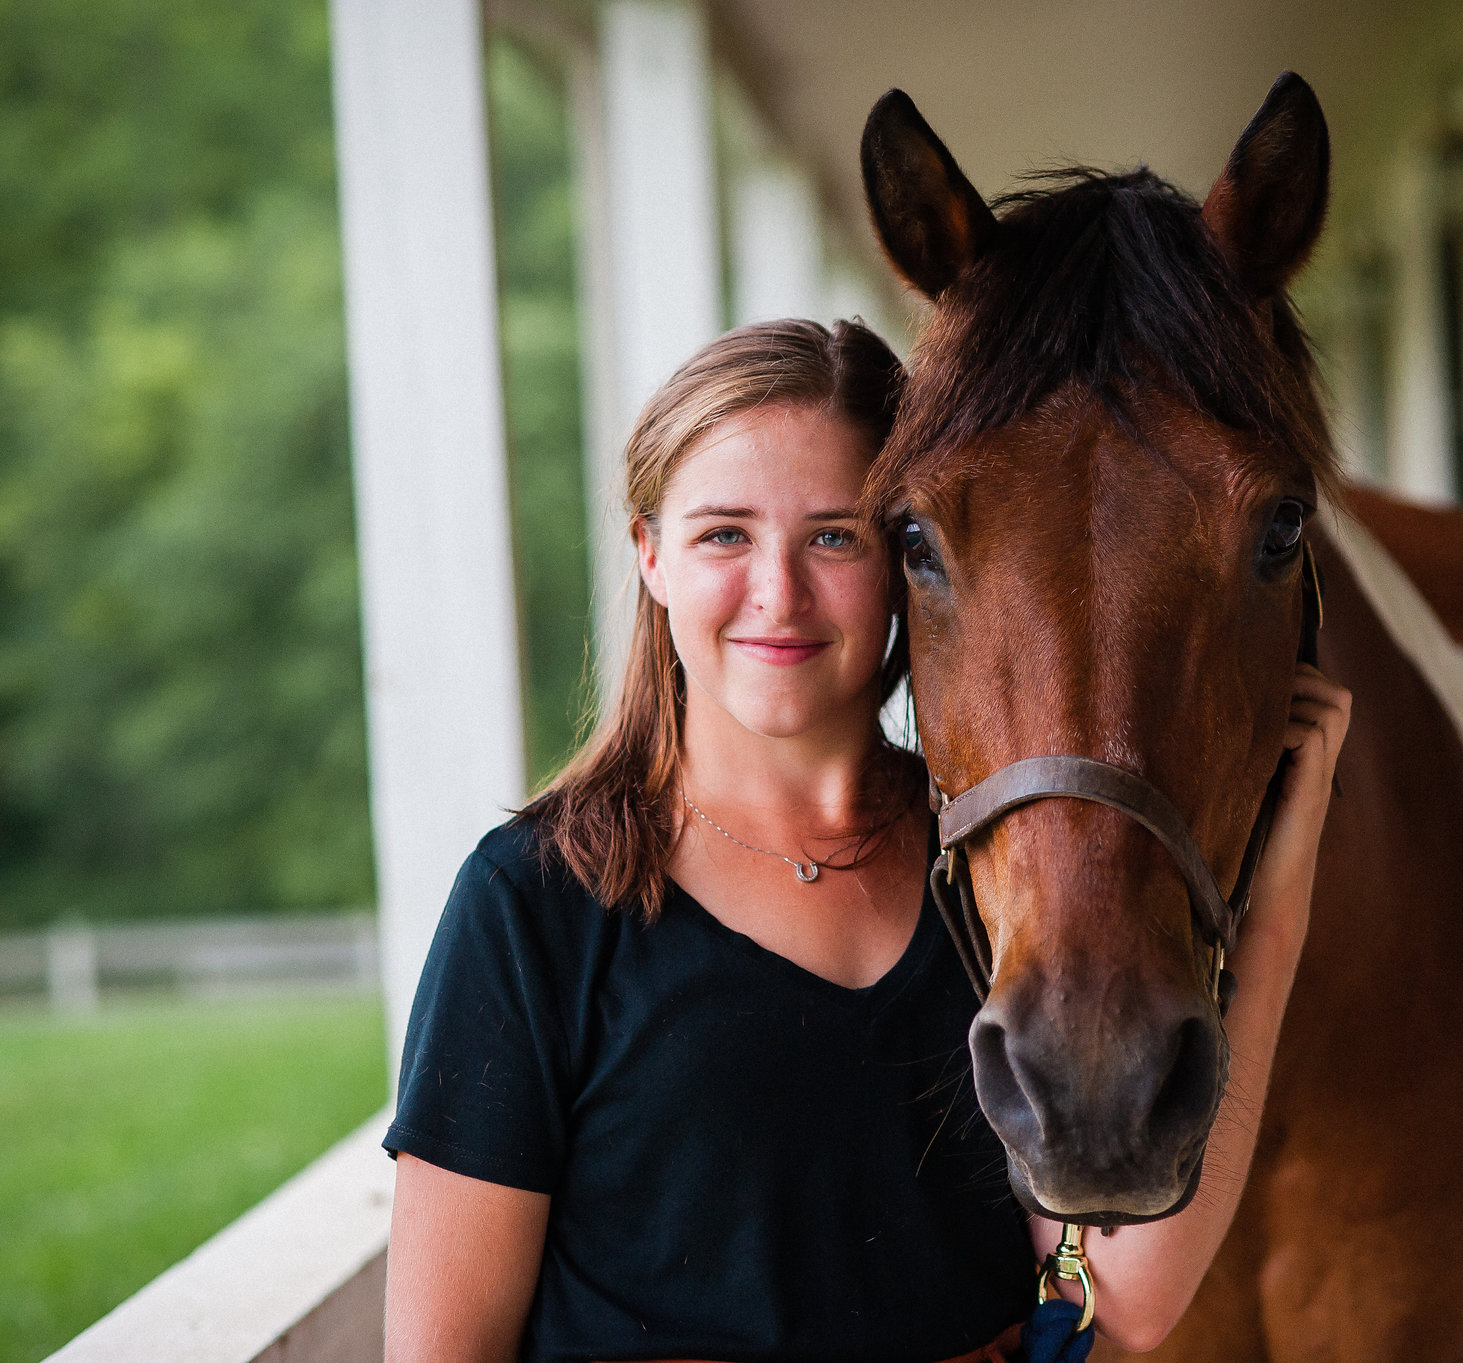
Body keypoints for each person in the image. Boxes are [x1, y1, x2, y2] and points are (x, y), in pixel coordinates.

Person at [380, 317, 1351, 1363]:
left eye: (834, 535)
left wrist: (1279, 891)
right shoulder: (535, 904)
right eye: (723, 534)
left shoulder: (999, 878)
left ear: (903, 559)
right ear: (650, 554)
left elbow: (1129, 1295)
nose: (778, 592)